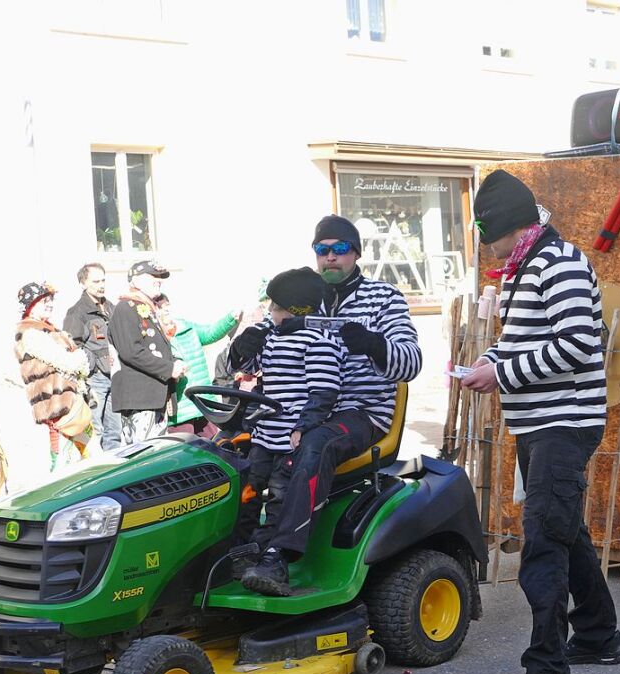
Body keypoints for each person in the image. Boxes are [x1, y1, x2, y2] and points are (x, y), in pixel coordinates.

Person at [461, 169, 620, 674]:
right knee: (566, 531)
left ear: (511, 228)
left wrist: (502, 374)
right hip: (539, 422)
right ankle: (599, 637)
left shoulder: (561, 263)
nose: (489, 244)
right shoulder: (527, 264)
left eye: (491, 234)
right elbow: (523, 341)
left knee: (545, 542)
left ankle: (548, 668)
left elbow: (579, 344)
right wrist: (488, 362)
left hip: (565, 422)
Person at [230, 215, 421, 595]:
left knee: (315, 444)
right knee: (227, 449)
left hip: (360, 411)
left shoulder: (384, 299)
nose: (330, 257)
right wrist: (242, 348)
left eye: (339, 249)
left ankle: (278, 557)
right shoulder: (301, 300)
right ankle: (232, 548)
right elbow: (259, 359)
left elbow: (411, 361)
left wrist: (373, 344)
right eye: (322, 250)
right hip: (299, 410)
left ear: (356, 254)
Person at [232, 269, 344, 592]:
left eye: (276, 308)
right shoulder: (272, 338)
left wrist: (303, 426)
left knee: (279, 497)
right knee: (248, 491)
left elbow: (324, 391)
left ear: (297, 311)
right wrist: (242, 347)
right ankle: (241, 551)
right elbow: (244, 367)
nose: (270, 313)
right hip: (265, 434)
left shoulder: (318, 341)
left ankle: (272, 559)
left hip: (290, 438)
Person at [14, 282, 94, 470]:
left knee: (84, 456)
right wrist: (81, 357)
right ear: (30, 306)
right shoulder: (31, 333)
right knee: (67, 462)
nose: (49, 304)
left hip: (70, 402)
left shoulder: (48, 329)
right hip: (57, 406)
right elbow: (70, 362)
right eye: (43, 301)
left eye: (50, 300)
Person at [108, 260, 186, 444]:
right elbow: (131, 351)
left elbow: (156, 347)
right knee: (143, 457)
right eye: (153, 276)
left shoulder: (148, 308)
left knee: (158, 454)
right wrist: (168, 369)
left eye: (159, 277)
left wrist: (175, 363)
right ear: (135, 281)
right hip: (140, 399)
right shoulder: (125, 308)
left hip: (154, 396)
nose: (158, 280)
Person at [154, 294, 240, 437]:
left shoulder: (186, 327)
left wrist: (231, 318)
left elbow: (210, 333)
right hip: (180, 409)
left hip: (202, 403)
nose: (166, 311)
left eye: (167, 306)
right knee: (185, 452)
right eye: (160, 308)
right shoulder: (155, 337)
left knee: (212, 446)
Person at [63, 262, 122, 451]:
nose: (101, 285)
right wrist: (96, 363)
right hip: (95, 379)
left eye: (103, 280)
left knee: (115, 432)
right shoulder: (77, 312)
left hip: (115, 375)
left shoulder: (111, 308)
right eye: (95, 281)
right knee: (96, 431)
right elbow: (73, 346)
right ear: (83, 283)